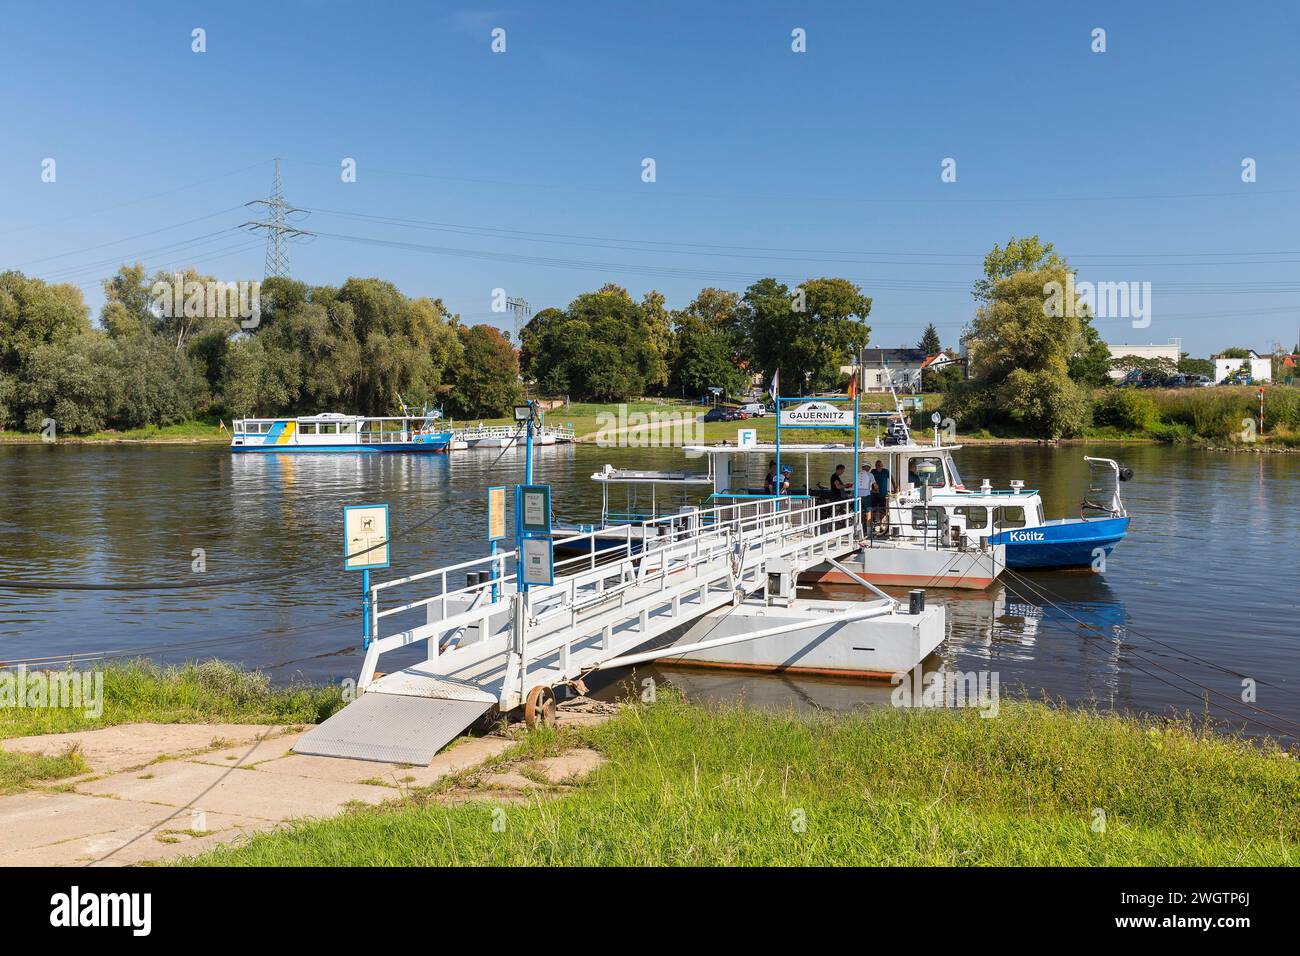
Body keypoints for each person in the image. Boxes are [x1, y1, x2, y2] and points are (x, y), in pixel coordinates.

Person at [856, 463, 876, 536]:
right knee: (868, 513)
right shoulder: (870, 475)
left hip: (857, 496)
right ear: (867, 467)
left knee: (858, 513)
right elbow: (875, 485)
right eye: (869, 467)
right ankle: (868, 532)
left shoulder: (857, 474)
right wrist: (877, 490)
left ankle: (857, 531)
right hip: (866, 496)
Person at [870, 458, 890, 531]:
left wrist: (896, 487)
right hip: (874, 494)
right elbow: (869, 481)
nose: (878, 466)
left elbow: (892, 479)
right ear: (875, 466)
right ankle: (875, 524)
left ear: (882, 465)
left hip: (883, 494)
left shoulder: (885, 471)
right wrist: (871, 490)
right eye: (877, 465)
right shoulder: (873, 471)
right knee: (874, 509)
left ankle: (881, 524)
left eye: (880, 465)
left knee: (883, 510)